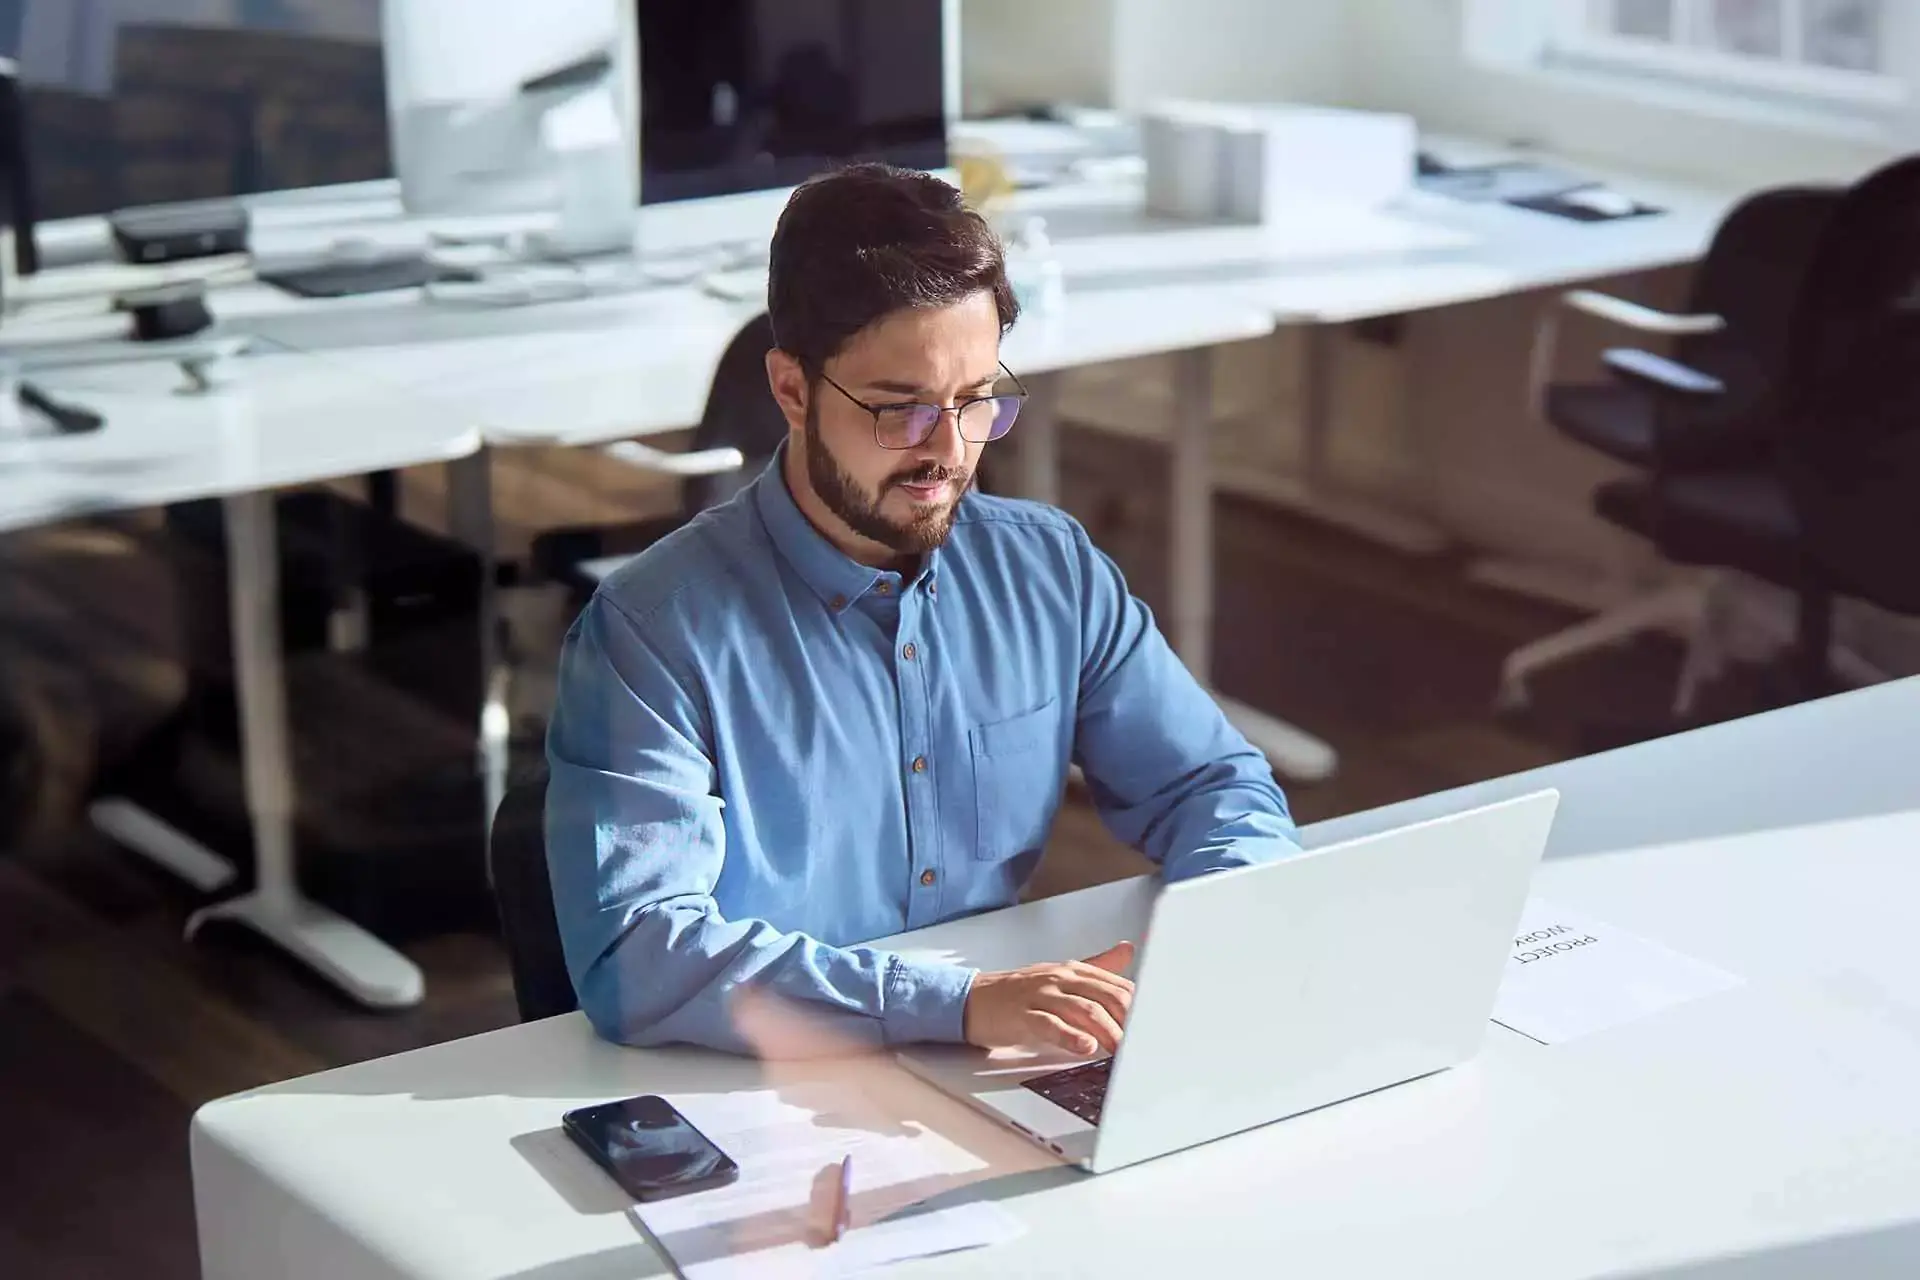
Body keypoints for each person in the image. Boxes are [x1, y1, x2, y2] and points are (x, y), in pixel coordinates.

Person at [545, 163, 1299, 1060]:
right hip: (769, 1083)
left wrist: (1216, 942)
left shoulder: (1048, 570)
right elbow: (639, 957)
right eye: (899, 410)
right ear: (792, 390)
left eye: (977, 401)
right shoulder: (652, 631)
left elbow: (1213, 788)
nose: (947, 451)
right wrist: (955, 1004)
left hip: (994, 1057)